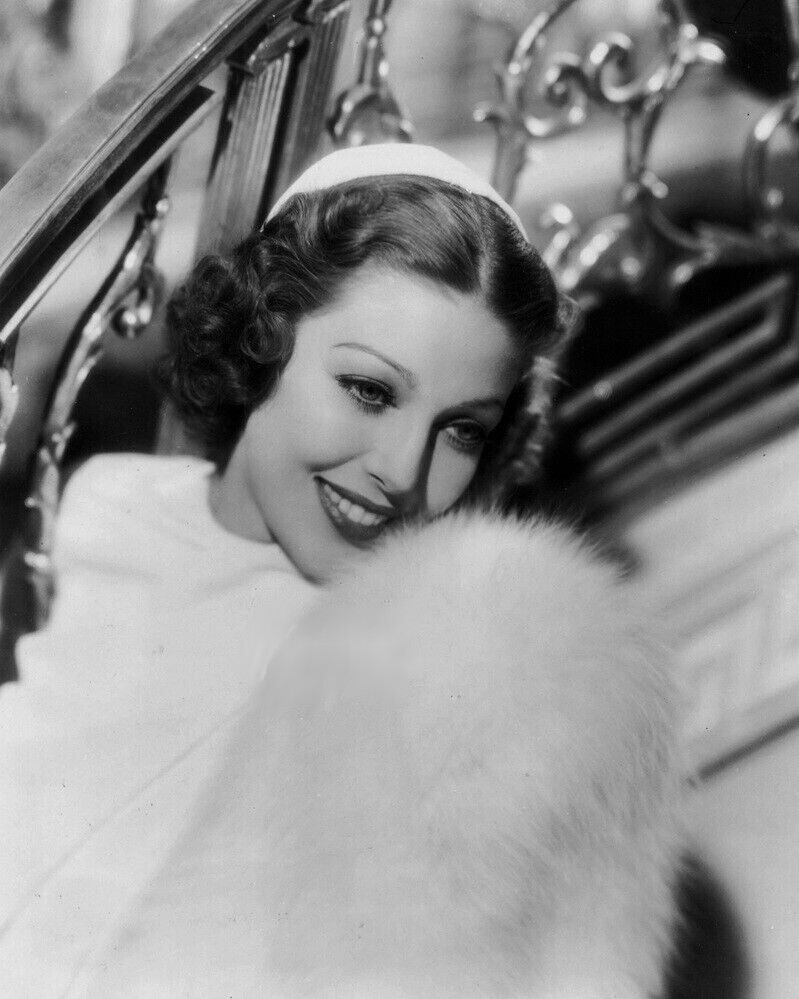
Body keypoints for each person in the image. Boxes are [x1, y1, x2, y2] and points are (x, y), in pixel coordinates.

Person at [0, 144, 682, 997]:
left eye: (462, 430)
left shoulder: (436, 684)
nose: (401, 470)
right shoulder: (112, 511)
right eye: (369, 390)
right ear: (264, 334)